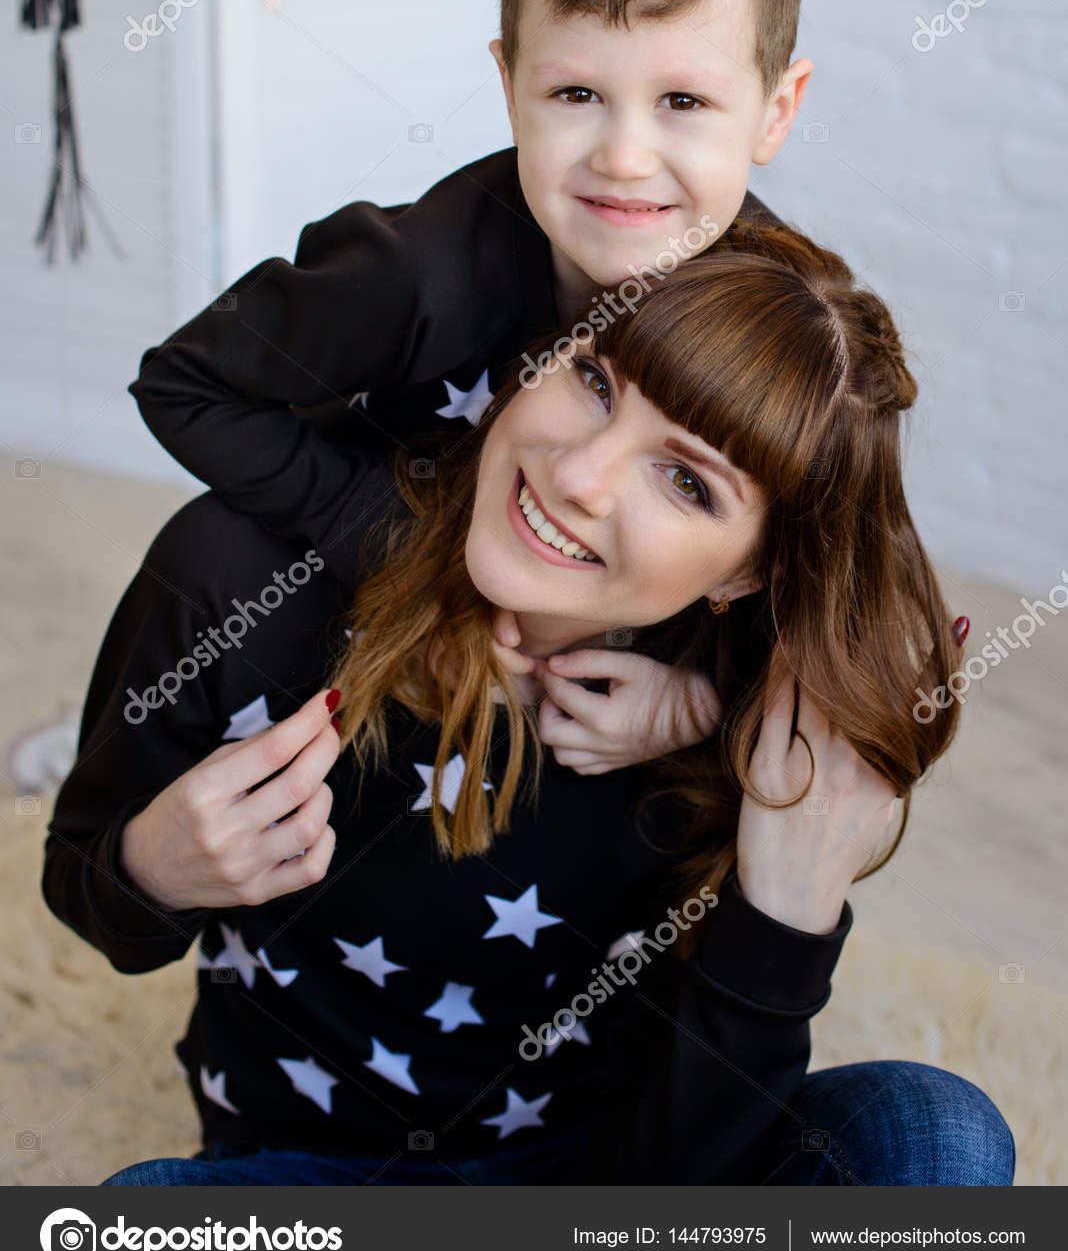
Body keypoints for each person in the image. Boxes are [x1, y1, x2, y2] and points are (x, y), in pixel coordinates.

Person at [43, 221, 1015, 1187]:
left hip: (613, 1180)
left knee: (939, 1135)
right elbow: (85, 886)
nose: (578, 473)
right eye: (595, 380)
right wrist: (156, 863)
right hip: (317, 1179)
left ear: (752, 569)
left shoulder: (751, 713)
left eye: (685, 480)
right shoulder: (238, 578)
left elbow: (686, 1182)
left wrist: (789, 896)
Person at [125, 0, 816, 770]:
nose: (623, 159)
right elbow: (180, 381)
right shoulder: (413, 272)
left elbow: (857, 603)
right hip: (373, 609)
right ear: (509, 85)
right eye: (576, 94)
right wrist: (397, 549)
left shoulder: (788, 325)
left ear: (774, 112)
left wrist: (709, 700)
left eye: (684, 102)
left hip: (592, 644)